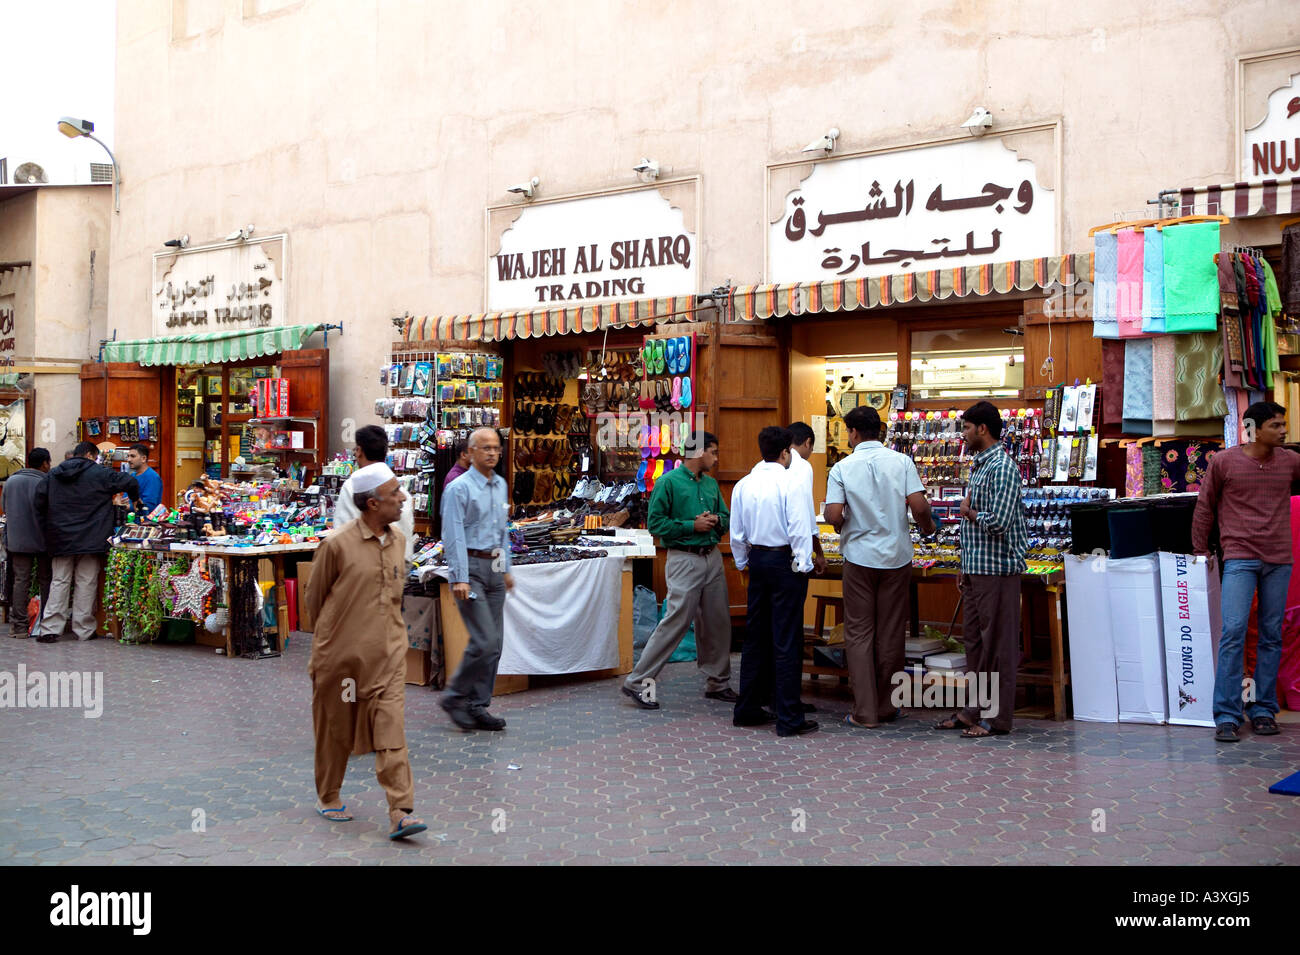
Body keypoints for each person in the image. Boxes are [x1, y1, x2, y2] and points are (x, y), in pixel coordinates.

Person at [304, 462, 426, 840]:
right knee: (335, 730)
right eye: (395, 494)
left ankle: (400, 810)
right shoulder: (336, 544)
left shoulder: (400, 541)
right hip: (341, 659)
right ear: (373, 504)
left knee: (391, 729)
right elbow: (314, 598)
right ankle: (329, 794)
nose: (404, 498)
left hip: (388, 655)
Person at [1193, 400, 1300, 742]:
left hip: (1279, 559)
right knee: (1234, 632)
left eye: (1284, 425)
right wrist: (1199, 550)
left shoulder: (1291, 462)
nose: (1284, 431)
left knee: (1271, 635)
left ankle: (1263, 709)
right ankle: (1227, 714)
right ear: (1254, 428)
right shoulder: (1224, 462)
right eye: (1277, 426)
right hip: (1239, 556)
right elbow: (1205, 506)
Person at [826, 406, 935, 728]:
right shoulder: (901, 462)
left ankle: (865, 712)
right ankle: (888, 706)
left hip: (859, 558)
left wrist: (846, 524)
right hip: (896, 557)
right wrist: (927, 528)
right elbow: (919, 505)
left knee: (859, 634)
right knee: (890, 633)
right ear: (881, 432)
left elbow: (833, 515)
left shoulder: (842, 467)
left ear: (854, 433)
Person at [622, 431, 736, 709]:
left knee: (717, 621)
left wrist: (715, 520)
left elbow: (727, 517)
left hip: (711, 557)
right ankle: (638, 682)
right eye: (713, 452)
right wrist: (691, 525)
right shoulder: (667, 483)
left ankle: (717, 682)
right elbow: (656, 525)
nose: (716, 458)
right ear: (699, 452)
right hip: (684, 559)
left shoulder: (710, 485)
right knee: (675, 622)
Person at [934, 401, 1027, 738]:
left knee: (998, 646)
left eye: (967, 427)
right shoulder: (979, 465)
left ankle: (998, 718)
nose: (964, 434)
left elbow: (999, 522)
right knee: (974, 644)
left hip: (998, 570)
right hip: (977, 569)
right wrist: (964, 564)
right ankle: (973, 710)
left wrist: (969, 513)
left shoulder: (1002, 467)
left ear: (982, 429)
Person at [730, 426, 818, 736]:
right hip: (785, 562)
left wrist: (744, 564)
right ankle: (789, 718)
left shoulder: (744, 484)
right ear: (785, 453)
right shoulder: (790, 482)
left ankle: (748, 708)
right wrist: (804, 563)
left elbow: (737, 533)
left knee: (755, 637)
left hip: (758, 561)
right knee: (787, 638)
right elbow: (799, 528)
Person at [440, 427, 514, 731]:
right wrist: (459, 576)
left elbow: (502, 529)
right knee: (483, 640)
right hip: (471, 568)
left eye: (496, 448)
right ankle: (455, 696)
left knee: (494, 643)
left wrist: (507, 567)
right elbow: (452, 533)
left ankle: (477, 704)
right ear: (470, 453)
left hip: (495, 568)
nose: (492, 453)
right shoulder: (458, 488)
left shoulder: (500, 485)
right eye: (485, 448)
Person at [33, 442, 140, 642]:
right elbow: (130, 482)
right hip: (92, 537)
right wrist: (135, 500)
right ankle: (83, 628)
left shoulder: (54, 474)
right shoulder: (100, 473)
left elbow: (38, 500)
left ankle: (50, 628)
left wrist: (47, 526)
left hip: (61, 537)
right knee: (86, 581)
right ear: (91, 455)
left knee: (60, 580)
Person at [334, 425, 415, 562]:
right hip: (400, 561)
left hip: (369, 564)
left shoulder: (354, 485)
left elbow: (341, 533)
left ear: (359, 451)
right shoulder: (396, 484)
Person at [2, 448, 54, 637]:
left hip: (18, 540)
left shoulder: (11, 481)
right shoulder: (45, 481)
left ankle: (20, 626)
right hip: (42, 539)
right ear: (45, 463)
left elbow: (5, 507)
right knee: (45, 580)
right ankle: (46, 625)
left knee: (20, 581)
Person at [126, 443, 163, 512]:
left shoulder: (152, 477)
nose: (129, 460)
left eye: (132, 456)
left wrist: (125, 507)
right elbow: (125, 499)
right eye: (128, 456)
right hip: (129, 520)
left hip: (144, 521)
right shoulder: (132, 476)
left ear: (143, 458)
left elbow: (148, 507)